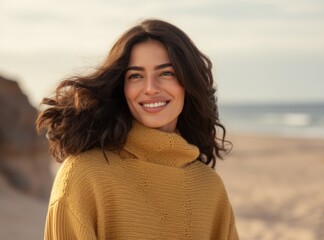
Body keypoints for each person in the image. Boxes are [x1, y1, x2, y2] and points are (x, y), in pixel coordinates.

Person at [37, 19, 239, 240]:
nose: (150, 88)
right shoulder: (84, 176)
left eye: (166, 73)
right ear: (122, 88)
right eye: (136, 76)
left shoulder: (210, 187)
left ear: (188, 83)